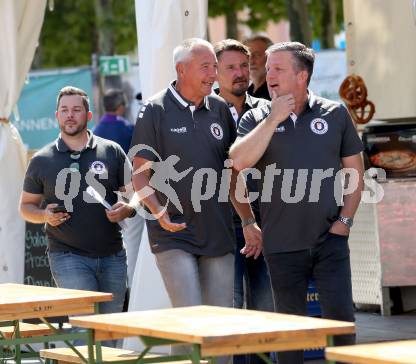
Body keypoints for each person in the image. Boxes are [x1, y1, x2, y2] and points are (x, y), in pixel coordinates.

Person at [229, 42, 365, 364]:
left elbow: (355, 175)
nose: (267, 74)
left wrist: (344, 223)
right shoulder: (256, 118)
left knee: (342, 327)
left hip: (330, 241)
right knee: (290, 333)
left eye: (278, 68)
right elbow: (238, 162)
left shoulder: (335, 114)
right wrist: (273, 119)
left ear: (302, 76)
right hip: (282, 245)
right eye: (267, 67)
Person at [130, 38, 262, 364]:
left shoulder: (219, 109)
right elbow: (139, 175)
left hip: (218, 232)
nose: (214, 75)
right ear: (181, 69)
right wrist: (159, 213)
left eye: (215, 68)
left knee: (219, 327)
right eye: (206, 67)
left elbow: (233, 174)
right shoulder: (155, 110)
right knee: (189, 318)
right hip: (173, 232)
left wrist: (248, 221)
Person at [19, 86, 135, 331]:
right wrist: (44, 216)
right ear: (57, 116)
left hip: (113, 255)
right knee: (86, 330)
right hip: (67, 256)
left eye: (76, 110)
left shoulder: (111, 151)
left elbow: (136, 196)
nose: (70, 115)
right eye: (64, 110)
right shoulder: (42, 159)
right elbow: (26, 207)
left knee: (110, 331)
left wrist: (127, 208)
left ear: (88, 115)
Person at [214, 38, 274, 364]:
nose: (240, 73)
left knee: (266, 310)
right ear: (215, 72)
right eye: (230, 68)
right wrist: (247, 222)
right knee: (232, 311)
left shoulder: (266, 111)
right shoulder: (203, 114)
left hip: (267, 226)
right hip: (222, 228)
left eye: (244, 66)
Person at [93, 88, 143, 291]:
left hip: (101, 193)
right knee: (133, 242)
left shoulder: (95, 130)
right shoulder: (128, 128)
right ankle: (131, 288)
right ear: (121, 106)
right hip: (127, 191)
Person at [243, 34, 273, 101]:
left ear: (270, 58)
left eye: (257, 55)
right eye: (248, 55)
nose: (251, 60)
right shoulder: (246, 93)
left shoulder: (276, 92)